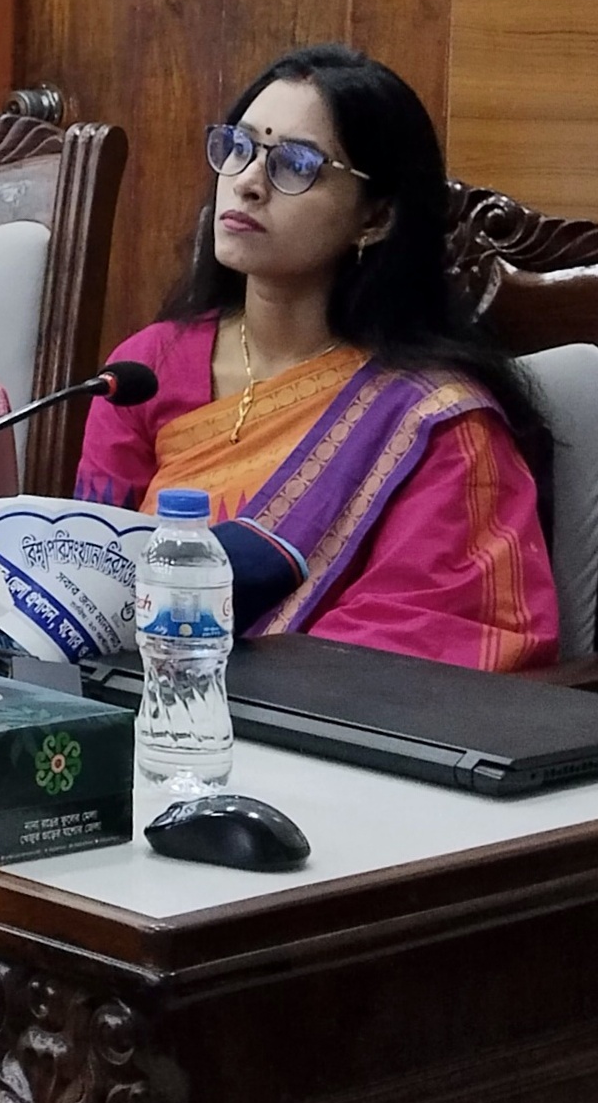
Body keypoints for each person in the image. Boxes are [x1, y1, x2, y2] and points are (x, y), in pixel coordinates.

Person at [74, 42, 559, 670]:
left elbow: (429, 635)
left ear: (376, 217)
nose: (248, 183)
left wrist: (216, 671)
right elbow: (86, 574)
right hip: (133, 704)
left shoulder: (432, 423)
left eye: (296, 164)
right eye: (238, 147)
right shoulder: (146, 369)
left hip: (307, 716)